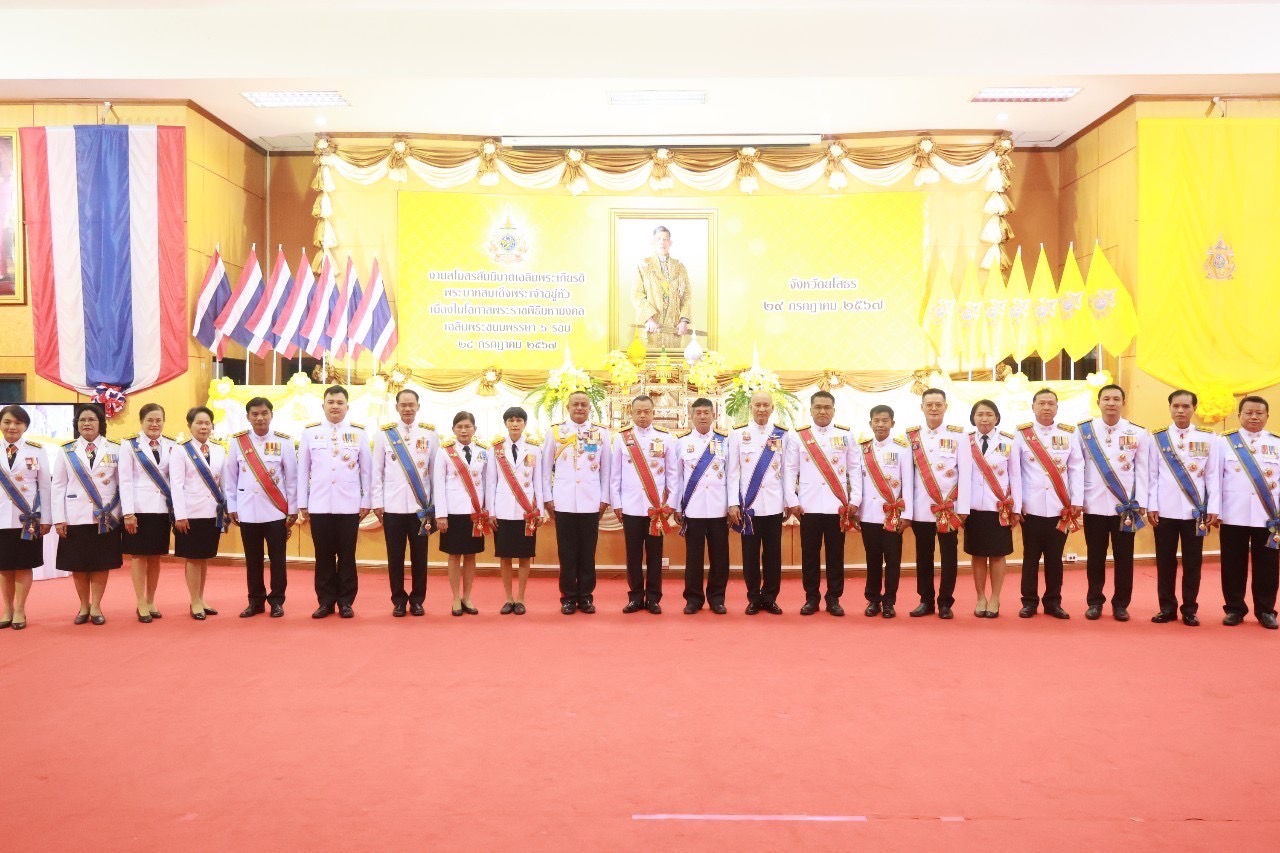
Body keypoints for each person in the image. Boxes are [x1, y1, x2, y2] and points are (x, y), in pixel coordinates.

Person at [298, 385, 372, 619]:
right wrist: (302, 502)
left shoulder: (359, 433)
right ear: (323, 406)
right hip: (319, 505)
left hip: (349, 506)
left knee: (347, 556)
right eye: (331, 402)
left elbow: (366, 471)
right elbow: (303, 470)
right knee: (323, 556)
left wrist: (366, 501)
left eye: (340, 403)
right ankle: (326, 602)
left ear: (347, 406)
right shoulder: (310, 432)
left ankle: (346, 602)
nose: (335, 406)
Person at [1147, 389, 1219, 626]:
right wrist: (1152, 505)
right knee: (1165, 561)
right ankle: (1167, 608)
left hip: (1194, 512)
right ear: (1169, 408)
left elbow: (1212, 476)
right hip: (1164, 511)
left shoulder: (1208, 437)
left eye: (1186, 406)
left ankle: (1189, 609)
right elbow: (1152, 476)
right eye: (1176, 406)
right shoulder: (1157, 438)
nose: (1180, 411)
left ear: (1194, 409)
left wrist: (1213, 507)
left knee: (1192, 563)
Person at [1078, 384, 1149, 621]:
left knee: (1124, 558)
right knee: (1095, 557)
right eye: (1106, 399)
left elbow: (1142, 470)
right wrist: (1078, 500)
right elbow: (1077, 468)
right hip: (1093, 504)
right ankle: (1094, 602)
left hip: (1125, 507)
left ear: (1123, 402)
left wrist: (1142, 502)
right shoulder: (1084, 431)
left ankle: (1121, 604)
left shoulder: (1138, 432)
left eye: (1116, 399)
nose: (1111, 403)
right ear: (1098, 402)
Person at [786, 390, 860, 617]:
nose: (822, 411)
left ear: (833, 411)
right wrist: (792, 500)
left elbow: (855, 469)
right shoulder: (798, 436)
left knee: (835, 555)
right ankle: (811, 598)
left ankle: (833, 598)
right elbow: (790, 470)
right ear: (810, 410)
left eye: (827, 407)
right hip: (807, 507)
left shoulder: (846, 435)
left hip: (837, 506)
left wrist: (855, 499)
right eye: (818, 407)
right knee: (809, 555)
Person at [226, 396, 297, 618]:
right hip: (248, 510)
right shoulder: (238, 442)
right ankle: (255, 601)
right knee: (253, 559)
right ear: (248, 417)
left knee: (278, 559)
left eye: (264, 413)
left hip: (275, 510)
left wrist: (292, 509)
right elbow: (230, 478)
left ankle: (277, 601)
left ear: (271, 415)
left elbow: (292, 479)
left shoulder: (284, 442)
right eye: (255, 414)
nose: (260, 418)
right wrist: (232, 506)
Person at [1015, 388, 1084, 619]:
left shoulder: (1069, 434)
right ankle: (1029, 602)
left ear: (1057, 408)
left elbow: (1076, 468)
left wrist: (1077, 500)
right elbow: (1015, 473)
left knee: (1055, 558)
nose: (1046, 407)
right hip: (1031, 508)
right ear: (1033, 407)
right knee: (1030, 557)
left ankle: (1053, 602)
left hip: (1059, 507)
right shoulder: (1021, 435)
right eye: (1041, 403)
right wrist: (1017, 505)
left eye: (1051, 403)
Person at [52, 403, 122, 625]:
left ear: (101, 423)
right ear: (77, 424)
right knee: (79, 564)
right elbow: (58, 486)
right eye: (82, 420)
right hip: (76, 516)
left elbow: (122, 484)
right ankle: (83, 605)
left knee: (101, 563)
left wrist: (120, 514)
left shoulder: (115, 449)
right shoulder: (66, 450)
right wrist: (59, 518)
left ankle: (96, 606)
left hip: (106, 518)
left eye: (92, 419)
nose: (87, 423)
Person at [1214, 395, 1280, 629]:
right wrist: (1215, 510)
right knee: (1232, 563)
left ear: (1267, 416)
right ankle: (1234, 609)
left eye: (1259, 413)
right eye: (1249, 413)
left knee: (1268, 565)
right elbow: (1215, 479)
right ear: (1239, 415)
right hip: (1234, 514)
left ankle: (1266, 611)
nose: (1254, 417)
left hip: (1268, 516)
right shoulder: (1223, 442)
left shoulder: (1277, 443)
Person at [542, 390, 610, 615]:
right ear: (568, 408)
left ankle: (586, 597)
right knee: (567, 553)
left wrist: (604, 498)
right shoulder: (555, 432)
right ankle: (568, 597)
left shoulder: (601, 433)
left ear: (590, 408)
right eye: (575, 404)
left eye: (583, 405)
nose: (579, 408)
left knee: (588, 553)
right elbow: (545, 469)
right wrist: (548, 498)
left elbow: (606, 469)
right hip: (563, 502)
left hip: (591, 501)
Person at [372, 389, 438, 617]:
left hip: (421, 509)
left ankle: (418, 600)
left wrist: (435, 505)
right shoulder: (384, 434)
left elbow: (434, 472)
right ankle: (398, 600)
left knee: (420, 557)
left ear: (418, 406)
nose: (408, 409)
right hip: (393, 507)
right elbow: (377, 472)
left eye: (411, 405)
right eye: (403, 405)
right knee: (395, 557)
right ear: (397, 407)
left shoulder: (430, 433)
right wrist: (377, 502)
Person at [906, 388, 971, 620]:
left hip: (949, 509)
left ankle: (945, 602)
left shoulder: (959, 436)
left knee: (948, 557)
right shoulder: (911, 437)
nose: (934, 408)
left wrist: (963, 508)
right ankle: (925, 600)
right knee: (923, 556)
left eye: (938, 404)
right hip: (922, 508)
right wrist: (908, 511)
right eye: (929, 404)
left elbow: (965, 473)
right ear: (922, 407)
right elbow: (908, 477)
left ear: (945, 407)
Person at [611, 395, 679, 614]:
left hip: (656, 509)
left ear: (653, 413)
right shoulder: (621, 438)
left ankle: (653, 598)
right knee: (633, 555)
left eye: (646, 411)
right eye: (638, 411)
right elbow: (615, 475)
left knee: (655, 555)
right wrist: (617, 503)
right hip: (630, 507)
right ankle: (635, 597)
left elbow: (672, 475)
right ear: (631, 413)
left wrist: (671, 504)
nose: (642, 415)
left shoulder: (665, 438)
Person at [728, 391, 791, 615]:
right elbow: (732, 472)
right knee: (750, 556)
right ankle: (754, 597)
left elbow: (787, 471)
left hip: (774, 505)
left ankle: (770, 597)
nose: (762, 409)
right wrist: (733, 503)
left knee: (773, 555)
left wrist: (788, 501)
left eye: (766, 405)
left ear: (772, 408)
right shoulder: (738, 433)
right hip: (749, 507)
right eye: (757, 405)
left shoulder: (783, 434)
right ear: (751, 407)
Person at [673, 398, 731, 615]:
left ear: (714, 415)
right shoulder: (681, 442)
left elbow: (732, 475)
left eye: (707, 412)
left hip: (718, 508)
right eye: (698, 413)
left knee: (720, 557)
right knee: (694, 558)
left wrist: (731, 505)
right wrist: (677, 506)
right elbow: (677, 478)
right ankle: (693, 599)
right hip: (693, 508)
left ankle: (717, 599)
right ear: (691, 416)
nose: (703, 416)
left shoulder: (725, 441)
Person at [119, 403, 176, 622]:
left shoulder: (171, 445)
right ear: (141, 422)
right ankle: (140, 602)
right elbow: (125, 481)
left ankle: (151, 600)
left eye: (158, 420)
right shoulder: (129, 445)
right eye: (150, 420)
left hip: (161, 509)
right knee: (139, 556)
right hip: (139, 510)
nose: (154, 424)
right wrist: (128, 513)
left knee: (155, 557)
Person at [965, 399, 1021, 618]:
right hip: (973, 508)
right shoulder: (965, 441)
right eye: (980, 414)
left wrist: (1017, 507)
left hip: (999, 508)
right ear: (973, 418)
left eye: (989, 414)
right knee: (978, 554)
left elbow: (1015, 476)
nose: (984, 419)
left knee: (998, 555)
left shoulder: (1009, 441)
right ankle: (980, 597)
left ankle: (995, 597)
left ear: (997, 417)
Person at [170, 407, 227, 620]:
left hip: (212, 512)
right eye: (199, 423)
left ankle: (201, 598)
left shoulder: (219, 450)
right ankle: (194, 600)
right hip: (190, 513)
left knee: (204, 558)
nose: (204, 427)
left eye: (207, 423)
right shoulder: (180, 450)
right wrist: (180, 515)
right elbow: (176, 485)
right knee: (193, 558)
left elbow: (223, 483)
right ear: (190, 425)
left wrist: (226, 510)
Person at [0, 405, 52, 631]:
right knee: (3, 566)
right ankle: (7, 609)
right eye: (7, 422)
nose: (12, 427)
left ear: (25, 426)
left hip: (27, 520)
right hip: (0, 518)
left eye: (18, 423)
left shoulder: (37, 451)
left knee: (23, 564)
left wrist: (47, 518)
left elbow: (45, 487)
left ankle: (20, 609)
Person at [486, 406, 542, 615]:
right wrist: (491, 511)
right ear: (505, 424)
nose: (515, 424)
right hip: (502, 510)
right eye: (511, 420)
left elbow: (538, 482)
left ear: (524, 424)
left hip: (526, 510)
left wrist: (540, 510)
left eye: (519, 420)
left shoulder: (534, 448)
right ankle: (508, 598)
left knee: (525, 556)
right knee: (505, 556)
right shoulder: (496, 449)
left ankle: (521, 598)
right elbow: (491, 482)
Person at [859, 404, 913, 618]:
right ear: (870, 423)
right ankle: (873, 600)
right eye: (876, 421)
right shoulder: (862, 449)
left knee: (892, 561)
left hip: (892, 516)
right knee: (872, 560)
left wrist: (907, 515)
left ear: (892, 423)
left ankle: (889, 601)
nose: (880, 424)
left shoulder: (902, 449)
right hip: (868, 515)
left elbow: (907, 484)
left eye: (885, 420)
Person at [435, 411, 490, 616]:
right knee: (453, 555)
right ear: (453, 429)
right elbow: (438, 484)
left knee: (470, 555)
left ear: (475, 429)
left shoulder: (483, 452)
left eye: (468, 426)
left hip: (474, 512)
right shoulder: (444, 452)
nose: (464, 430)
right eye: (460, 427)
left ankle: (467, 596)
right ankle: (455, 597)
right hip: (453, 511)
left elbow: (487, 483)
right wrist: (441, 515)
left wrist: (487, 510)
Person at [633, 225, 692, 350]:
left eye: (665, 239)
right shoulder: (644, 265)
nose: (662, 242)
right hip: (652, 328)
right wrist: (649, 319)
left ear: (670, 242)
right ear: (653, 242)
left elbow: (687, 296)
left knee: (672, 360)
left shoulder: (679, 268)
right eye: (658, 239)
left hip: (673, 329)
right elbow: (637, 295)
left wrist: (683, 321)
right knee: (651, 360)